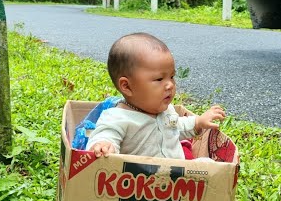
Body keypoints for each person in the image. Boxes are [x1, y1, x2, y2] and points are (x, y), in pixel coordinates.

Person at [85, 32, 225, 159]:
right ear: (127, 86)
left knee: (203, 163)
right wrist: (103, 144)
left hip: (177, 179)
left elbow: (177, 126)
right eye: (159, 79)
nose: (170, 84)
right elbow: (105, 133)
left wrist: (198, 122)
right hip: (140, 182)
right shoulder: (117, 117)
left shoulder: (166, 110)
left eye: (171, 77)